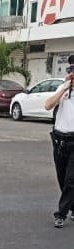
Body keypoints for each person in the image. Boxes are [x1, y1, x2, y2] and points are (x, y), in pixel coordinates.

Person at [45, 56, 74, 228]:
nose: (71, 75)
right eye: (70, 71)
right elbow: (48, 105)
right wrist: (64, 88)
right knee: (62, 179)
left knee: (71, 180)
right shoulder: (62, 91)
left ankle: (61, 214)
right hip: (60, 141)